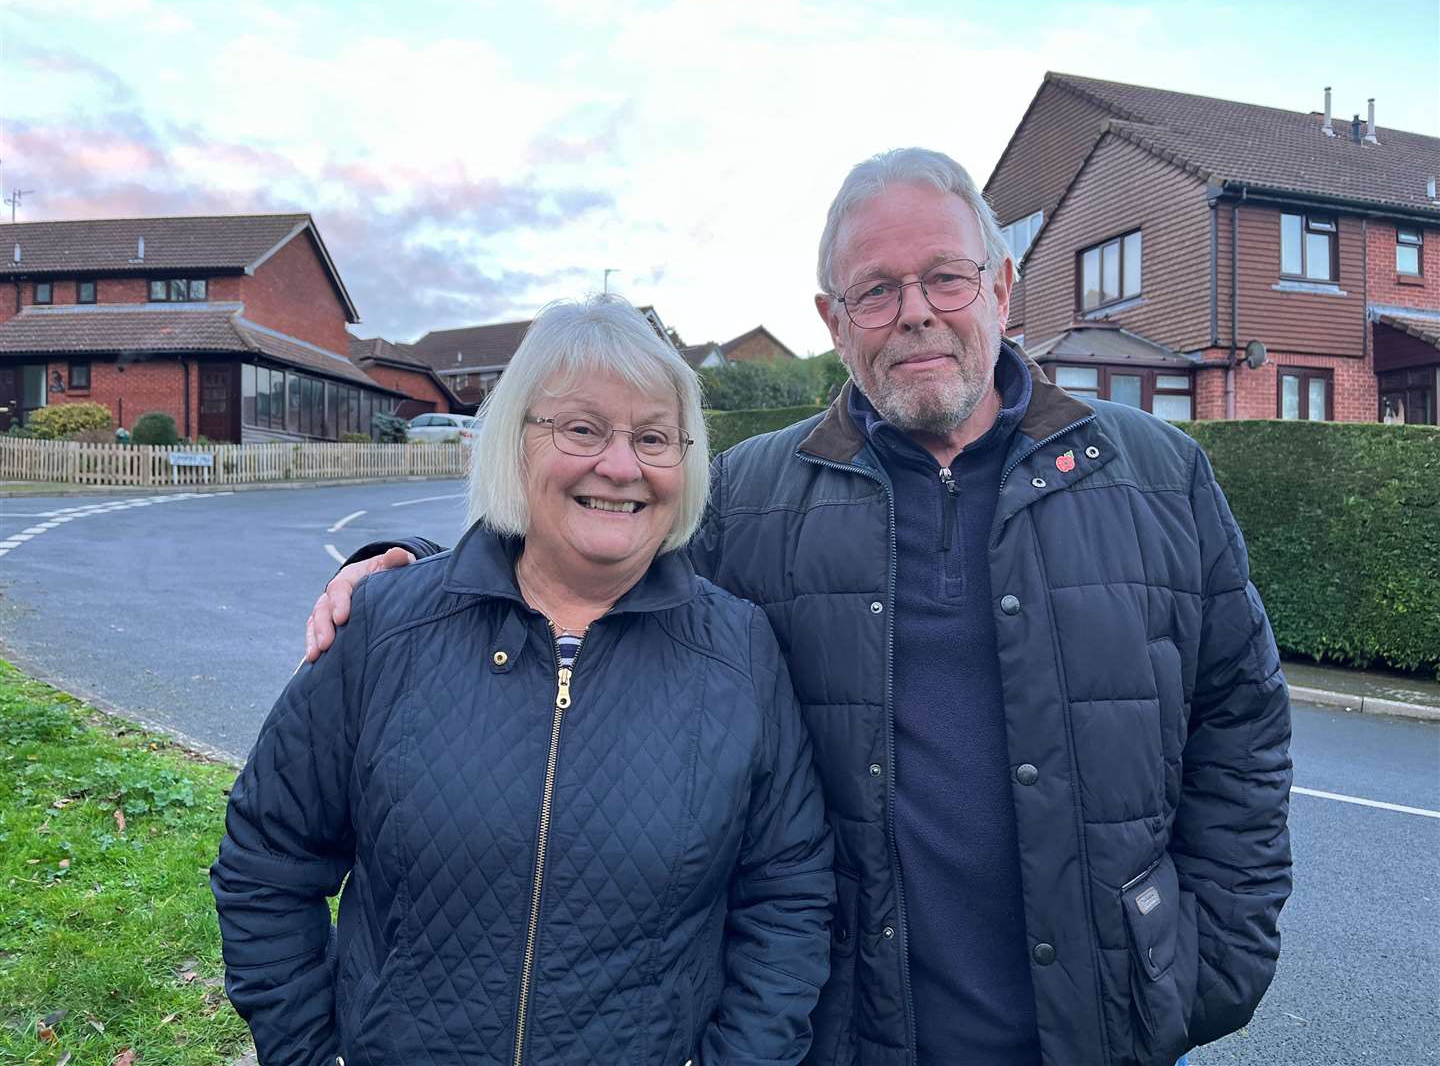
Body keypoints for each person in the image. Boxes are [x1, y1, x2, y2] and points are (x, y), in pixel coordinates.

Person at [309, 149, 1292, 1066]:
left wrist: (1213, 959)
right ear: (833, 318)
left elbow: (1240, 725)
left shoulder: (1158, 477)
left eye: (946, 278)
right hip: (849, 1029)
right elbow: (583, 572)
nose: (915, 313)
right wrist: (414, 574)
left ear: (999, 288)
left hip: (1100, 1027)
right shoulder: (751, 497)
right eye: (877, 291)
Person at [216, 296, 835, 1066]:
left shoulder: (739, 654)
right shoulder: (385, 629)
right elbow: (266, 860)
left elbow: (788, 901)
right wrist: (308, 1052)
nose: (619, 464)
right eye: (581, 428)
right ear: (515, 442)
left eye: (652, 437)